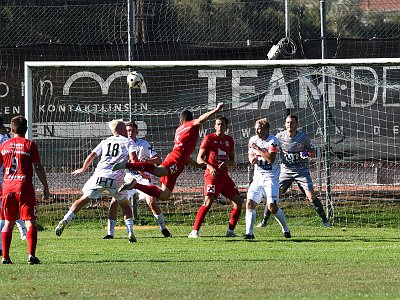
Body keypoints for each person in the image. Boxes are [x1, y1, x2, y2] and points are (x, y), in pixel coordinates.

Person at [114, 102, 225, 203]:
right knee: (158, 172)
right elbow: (201, 119)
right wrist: (216, 110)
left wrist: (198, 166)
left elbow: (186, 155)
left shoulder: (179, 129)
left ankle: (135, 185)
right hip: (176, 159)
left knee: (164, 196)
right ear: (188, 120)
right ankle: (127, 165)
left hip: (178, 161)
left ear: (180, 121)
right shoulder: (189, 125)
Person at [55, 119, 139, 243]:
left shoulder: (105, 141)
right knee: (125, 205)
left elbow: (91, 156)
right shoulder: (128, 141)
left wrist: (83, 169)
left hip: (99, 176)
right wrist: (137, 170)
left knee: (83, 199)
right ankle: (130, 232)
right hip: (115, 178)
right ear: (122, 130)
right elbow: (133, 159)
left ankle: (65, 220)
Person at [257, 115, 331, 228]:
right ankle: (264, 222)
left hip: (301, 171)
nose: (289, 125)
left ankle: (326, 222)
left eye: (292, 123)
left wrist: (306, 153)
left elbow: (313, 152)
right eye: (287, 123)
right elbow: (271, 147)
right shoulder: (279, 137)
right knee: (274, 195)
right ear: (285, 124)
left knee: (311, 196)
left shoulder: (303, 138)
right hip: (285, 171)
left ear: (297, 124)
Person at [104, 121, 172, 239]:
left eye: (132, 131)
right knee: (114, 202)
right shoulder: (122, 144)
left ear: (137, 132)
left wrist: (147, 162)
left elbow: (158, 160)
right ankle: (110, 233)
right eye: (128, 131)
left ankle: (163, 228)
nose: (130, 133)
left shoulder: (143, 144)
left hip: (143, 179)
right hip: (127, 178)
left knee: (151, 201)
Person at [0, 116, 50, 264]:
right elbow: (38, 166)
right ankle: (31, 255)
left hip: (7, 186)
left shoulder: (4, 145)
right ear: (26, 129)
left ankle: (5, 257)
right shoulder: (29, 144)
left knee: (8, 222)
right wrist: (45, 187)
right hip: (24, 186)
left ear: (11, 129)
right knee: (30, 222)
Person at [188, 116, 242, 238]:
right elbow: (199, 158)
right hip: (211, 176)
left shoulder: (229, 140)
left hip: (224, 177)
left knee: (238, 202)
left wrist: (227, 163)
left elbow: (232, 160)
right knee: (208, 201)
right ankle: (194, 231)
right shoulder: (208, 139)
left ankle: (230, 232)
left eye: (222, 124)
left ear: (226, 126)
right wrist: (210, 167)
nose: (220, 126)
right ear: (214, 126)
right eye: (218, 124)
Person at [244, 118, 290, 240]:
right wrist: (252, 159)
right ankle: (249, 233)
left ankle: (285, 229)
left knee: (272, 207)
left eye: (259, 128)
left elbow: (270, 159)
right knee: (249, 203)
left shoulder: (273, 140)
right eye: (255, 129)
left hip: (271, 178)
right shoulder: (253, 139)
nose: (257, 131)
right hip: (258, 177)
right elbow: (250, 153)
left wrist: (257, 148)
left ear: (266, 129)